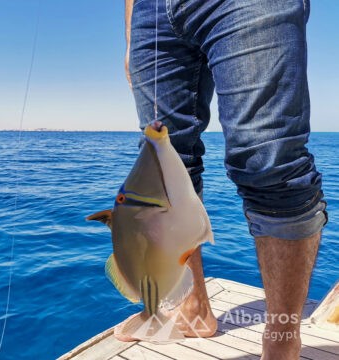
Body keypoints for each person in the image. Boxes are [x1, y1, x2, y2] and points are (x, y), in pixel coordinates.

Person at [124, 0, 327, 359]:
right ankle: (192, 309)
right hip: (150, 12)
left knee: (269, 161)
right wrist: (131, 33)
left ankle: (282, 341)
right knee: (165, 164)